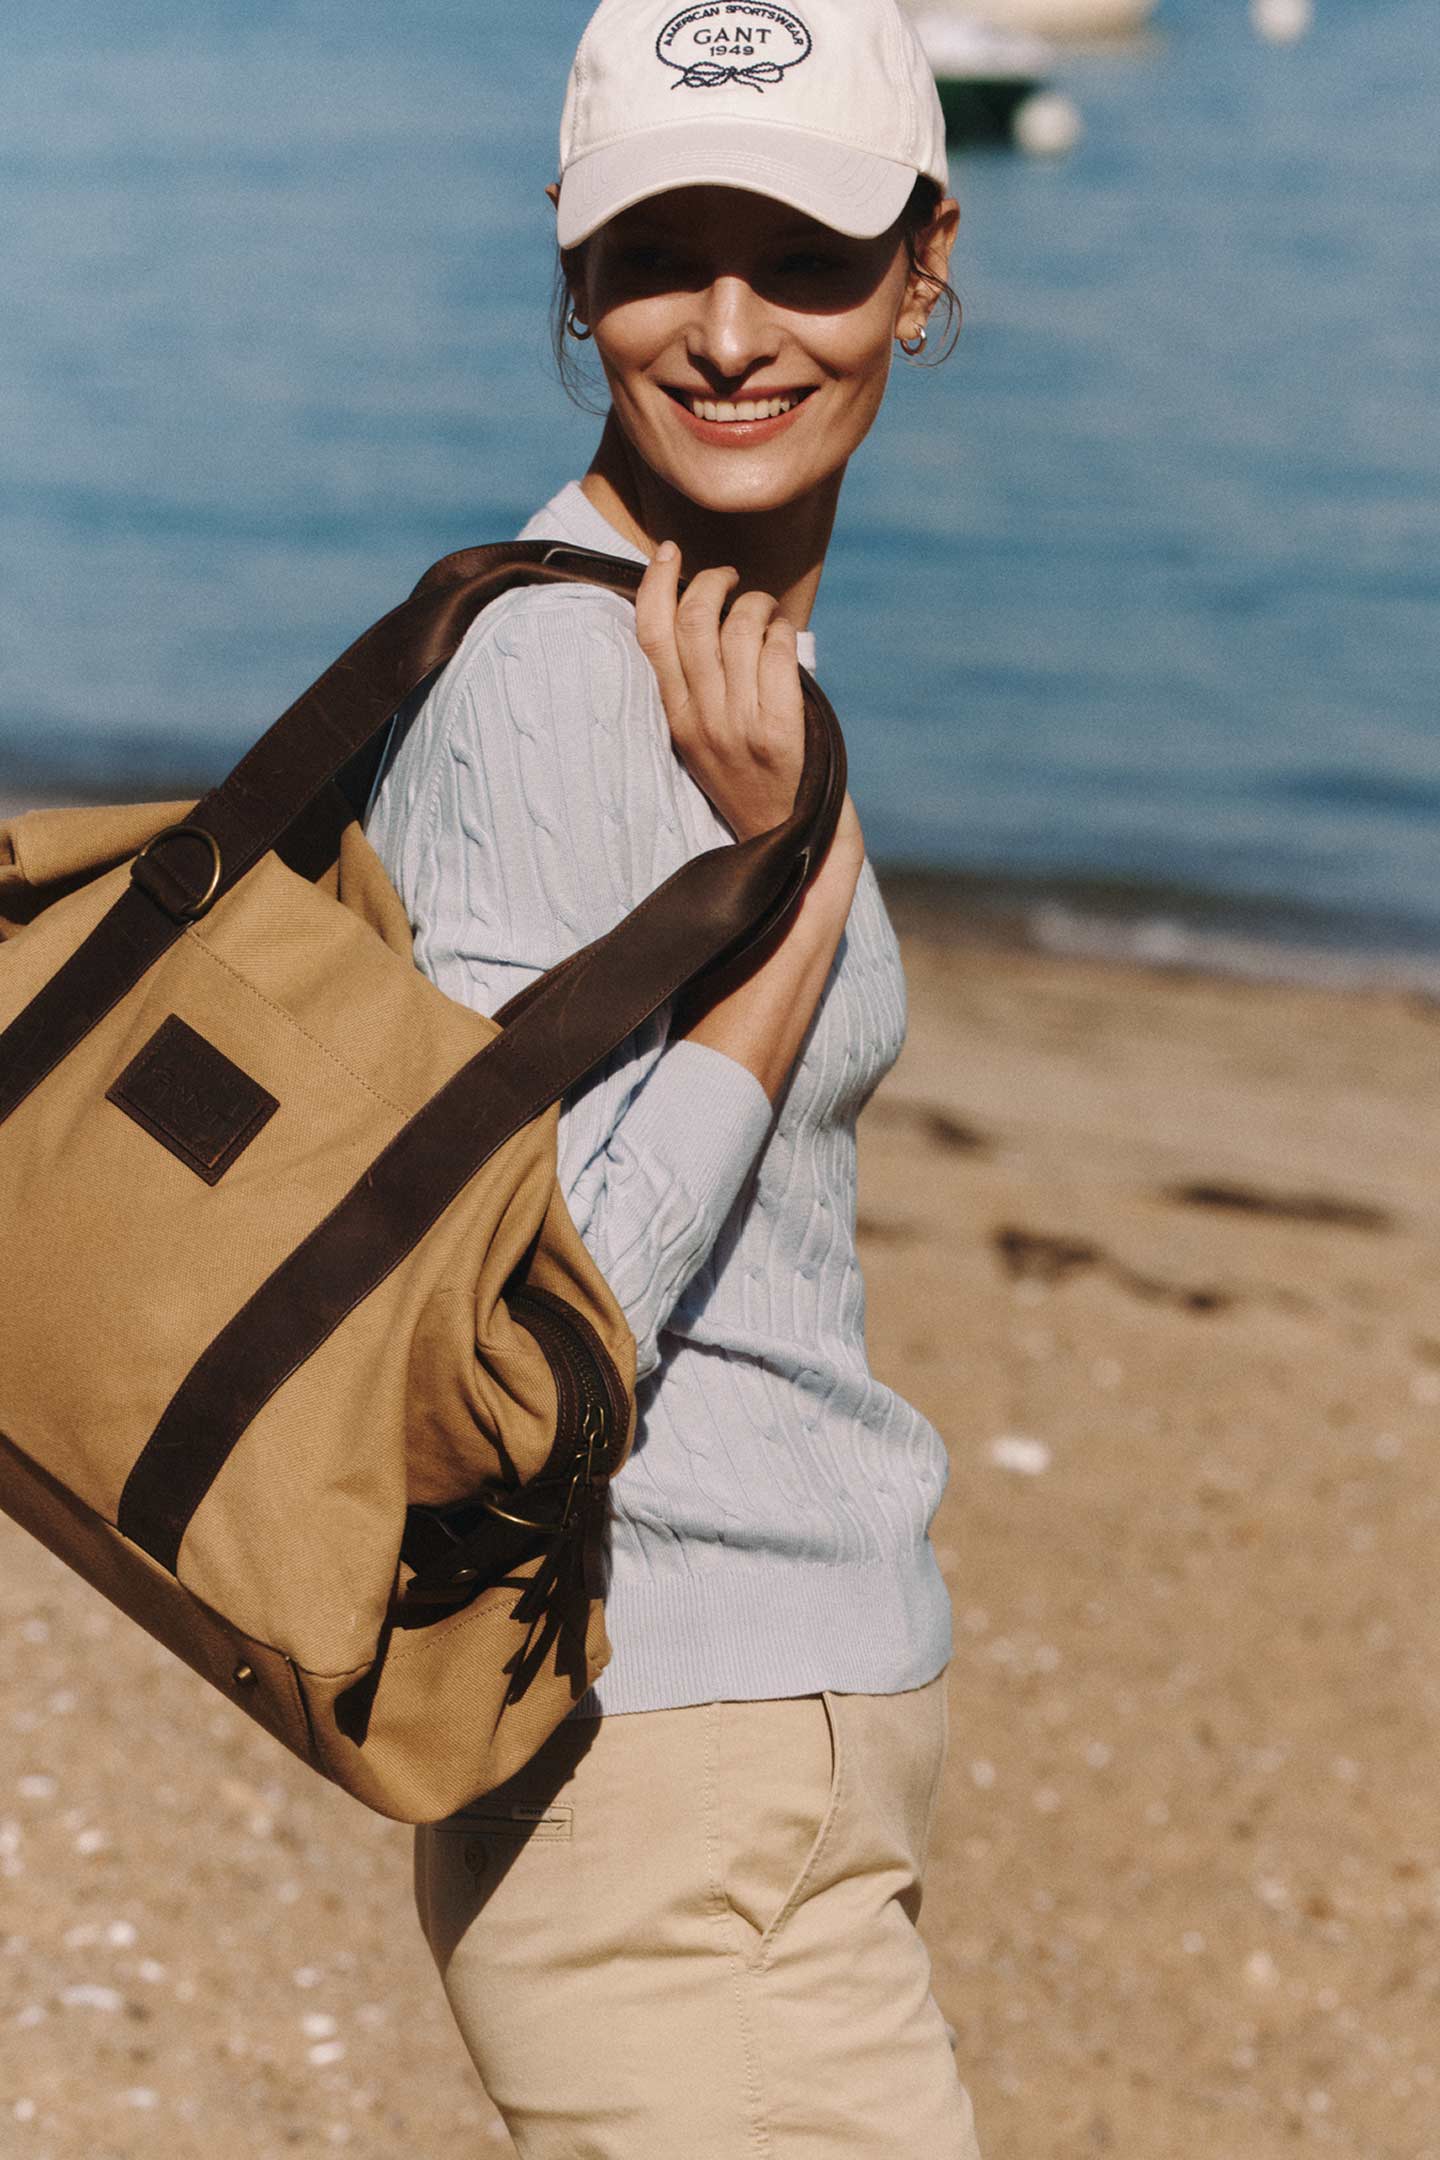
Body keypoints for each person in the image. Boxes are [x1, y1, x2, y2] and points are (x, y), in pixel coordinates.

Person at [364, 0, 980, 2151]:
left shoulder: (717, 641)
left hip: (780, 1751)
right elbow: (520, 1296)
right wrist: (775, 894)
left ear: (925, 261)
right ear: (570, 261)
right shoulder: (556, 668)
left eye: (804, 252)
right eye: (660, 251)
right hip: (653, 1770)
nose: (728, 330)